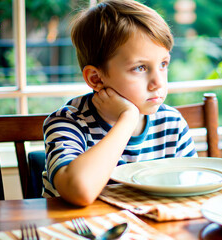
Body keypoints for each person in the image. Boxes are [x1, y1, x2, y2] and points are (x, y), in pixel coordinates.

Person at [41, 0, 197, 206]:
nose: (158, 82)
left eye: (163, 64)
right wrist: (128, 118)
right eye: (140, 68)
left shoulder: (171, 123)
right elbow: (80, 191)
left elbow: (192, 190)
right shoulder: (68, 122)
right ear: (96, 78)